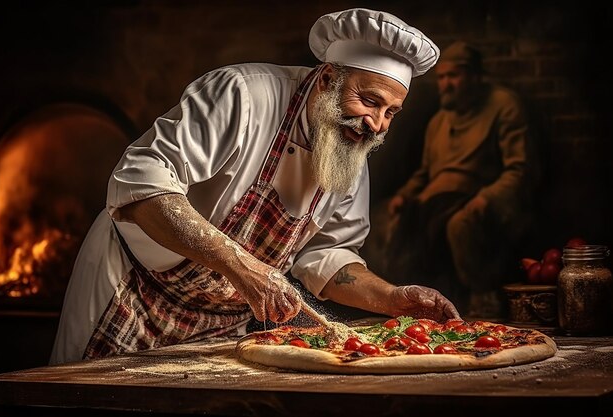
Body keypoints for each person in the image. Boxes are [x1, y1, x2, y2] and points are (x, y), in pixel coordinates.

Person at [49, 8, 460, 365]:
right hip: (134, 291)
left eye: (391, 112)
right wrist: (242, 267)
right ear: (327, 79)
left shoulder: (349, 153)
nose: (377, 125)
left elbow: (327, 255)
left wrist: (391, 299)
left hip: (222, 324)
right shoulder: (243, 95)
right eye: (369, 101)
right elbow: (140, 182)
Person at [384, 41, 537, 318]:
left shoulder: (503, 106)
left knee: (460, 225)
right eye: (442, 77)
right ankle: (415, 306)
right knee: (394, 224)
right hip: (435, 201)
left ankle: (483, 301)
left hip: (476, 198)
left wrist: (487, 198)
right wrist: (404, 195)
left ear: (475, 77)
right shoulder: (439, 121)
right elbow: (424, 173)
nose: (446, 84)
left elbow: (518, 169)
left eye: (454, 76)